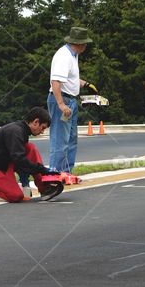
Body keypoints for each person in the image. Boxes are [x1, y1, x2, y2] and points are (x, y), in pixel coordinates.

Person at [0, 107, 56, 203]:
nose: (42, 132)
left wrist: (27, 182)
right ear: (36, 122)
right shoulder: (15, 131)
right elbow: (20, 159)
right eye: (43, 128)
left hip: (6, 163)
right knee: (16, 196)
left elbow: (22, 160)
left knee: (31, 148)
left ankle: (44, 188)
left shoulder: (23, 131)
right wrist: (43, 170)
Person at [47, 26, 92, 180]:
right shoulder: (64, 56)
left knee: (71, 139)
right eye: (84, 43)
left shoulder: (73, 55)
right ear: (78, 43)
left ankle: (66, 173)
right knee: (60, 140)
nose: (86, 46)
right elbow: (56, 81)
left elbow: (70, 78)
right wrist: (60, 104)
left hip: (70, 99)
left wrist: (86, 84)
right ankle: (54, 174)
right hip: (62, 99)